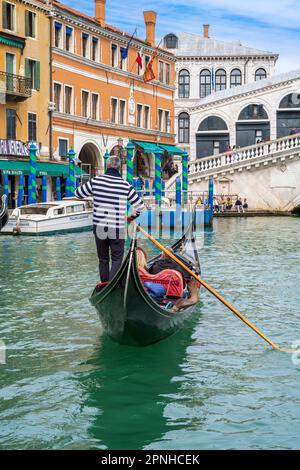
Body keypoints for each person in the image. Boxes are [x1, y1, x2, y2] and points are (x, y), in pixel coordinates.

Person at [75, 156, 145, 282]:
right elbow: (140, 206)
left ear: (107, 166)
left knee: (103, 259)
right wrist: (131, 217)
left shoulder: (96, 181)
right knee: (117, 259)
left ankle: (104, 286)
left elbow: (78, 193)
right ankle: (113, 287)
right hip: (117, 227)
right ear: (119, 168)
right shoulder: (125, 185)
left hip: (100, 226)